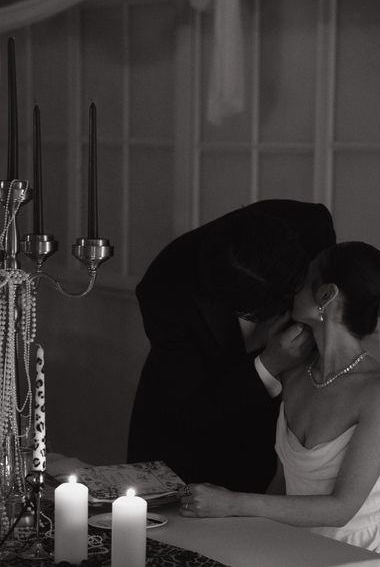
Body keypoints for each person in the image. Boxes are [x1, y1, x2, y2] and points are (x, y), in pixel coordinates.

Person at [178, 242, 380, 567]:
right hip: (291, 544)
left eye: (305, 282)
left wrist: (234, 504)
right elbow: (282, 483)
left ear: (327, 295)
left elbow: (342, 508)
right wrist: (242, 527)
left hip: (354, 554)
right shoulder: (296, 374)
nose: (294, 289)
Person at [127, 200, 336, 493]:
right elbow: (194, 410)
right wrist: (269, 364)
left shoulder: (311, 226)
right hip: (194, 426)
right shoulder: (165, 293)